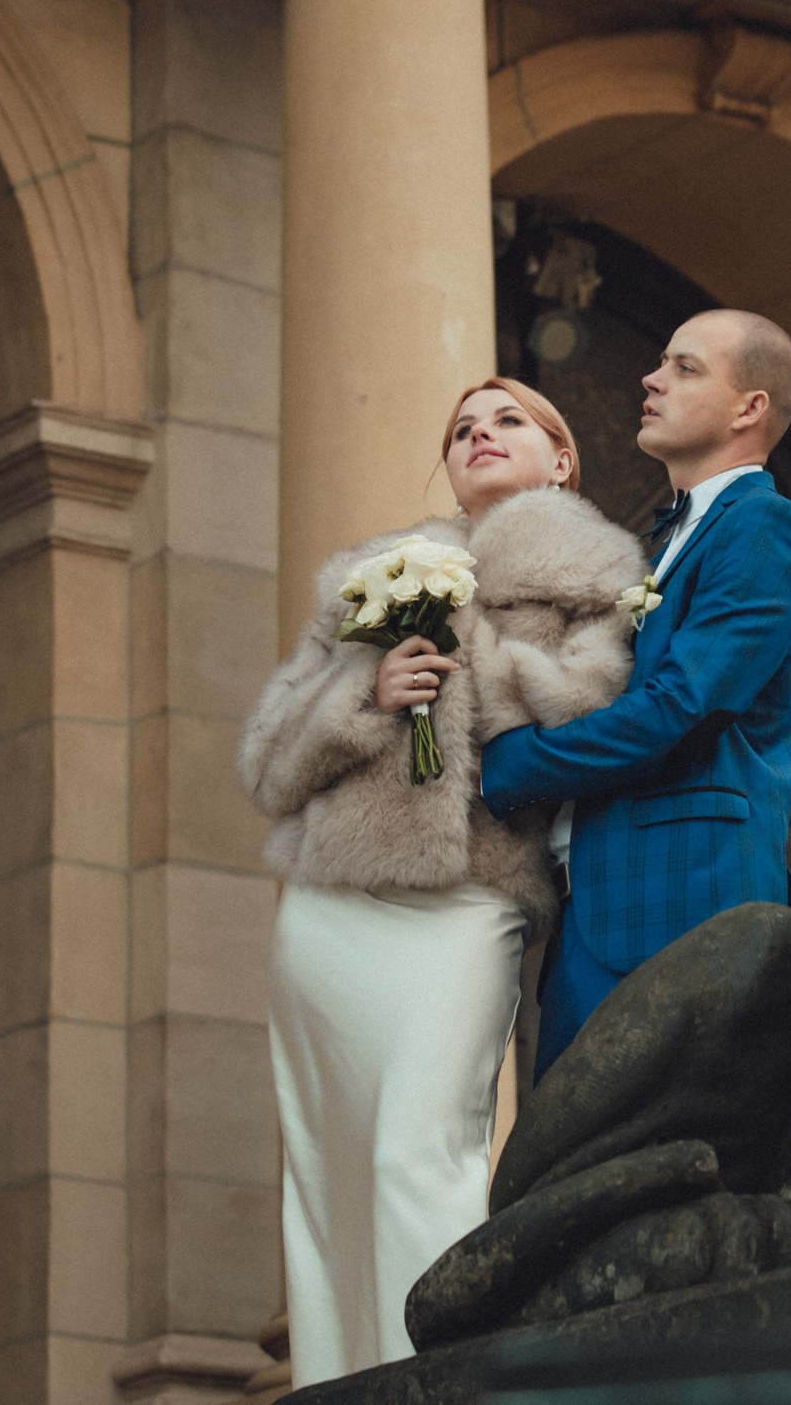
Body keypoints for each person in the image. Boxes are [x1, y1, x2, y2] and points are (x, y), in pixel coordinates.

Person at [236, 379, 644, 1386]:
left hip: (469, 905)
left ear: (560, 458)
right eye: (462, 428)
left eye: (507, 420)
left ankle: (442, 1381)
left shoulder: (599, 577)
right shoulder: (370, 585)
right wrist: (361, 692)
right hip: (330, 914)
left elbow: (588, 706)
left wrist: (468, 647)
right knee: (325, 1184)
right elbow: (269, 767)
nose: (479, 435)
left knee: (419, 1156)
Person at [480, 309, 791, 1075]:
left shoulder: (765, 527)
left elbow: (679, 710)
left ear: (749, 408)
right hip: (597, 914)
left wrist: (508, 766)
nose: (651, 377)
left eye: (685, 366)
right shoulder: (664, 543)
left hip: (682, 902)